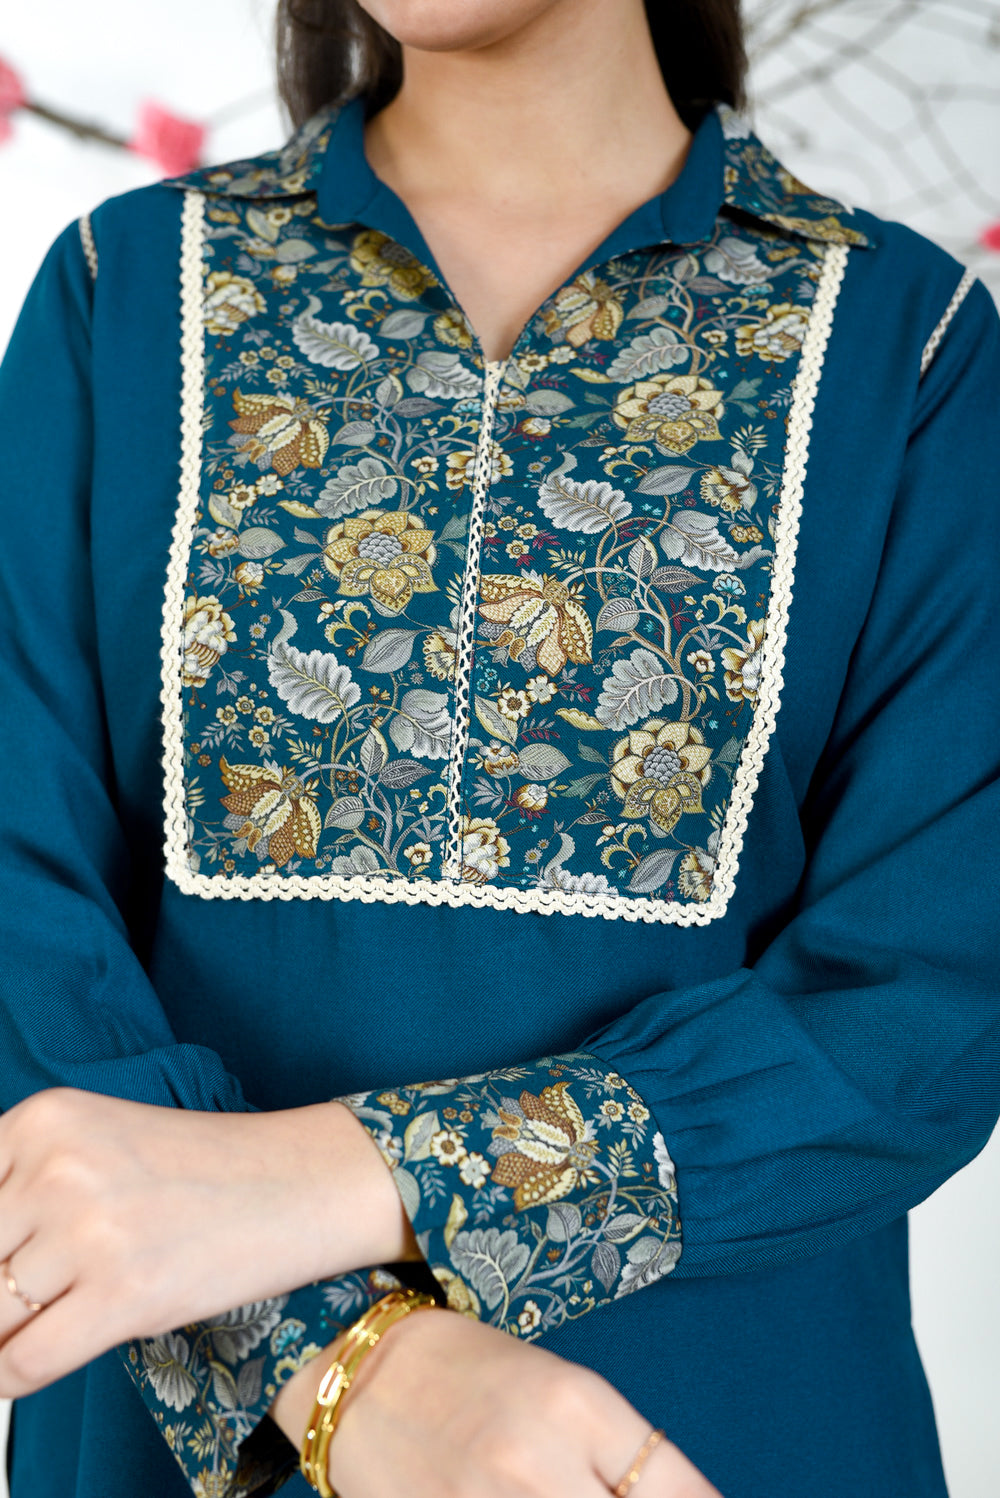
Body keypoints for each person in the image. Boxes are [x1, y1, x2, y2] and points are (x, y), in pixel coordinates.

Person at [1, 0, 998, 1493]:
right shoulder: (123, 290)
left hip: (718, 1443)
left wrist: (337, 1177)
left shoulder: (908, 346)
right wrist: (348, 1371)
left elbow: (924, 1010)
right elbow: (20, 943)